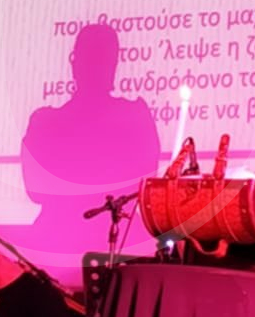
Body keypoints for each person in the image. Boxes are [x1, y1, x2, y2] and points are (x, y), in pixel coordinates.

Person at [19, 22, 162, 267]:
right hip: (61, 242)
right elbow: (35, 190)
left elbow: (145, 183)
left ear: (74, 63)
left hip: (98, 238)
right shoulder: (46, 122)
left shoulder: (46, 122)